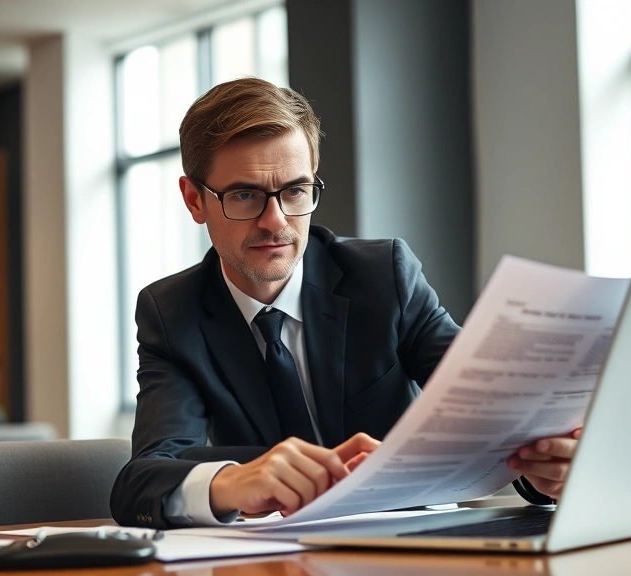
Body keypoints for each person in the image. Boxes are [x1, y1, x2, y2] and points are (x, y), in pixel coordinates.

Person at [110, 78, 580, 529]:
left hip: (417, 550)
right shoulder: (173, 313)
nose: (275, 222)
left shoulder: (383, 277)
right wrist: (231, 481)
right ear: (195, 200)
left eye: (295, 191)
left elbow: (493, 408)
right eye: (245, 195)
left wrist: (544, 472)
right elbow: (143, 481)